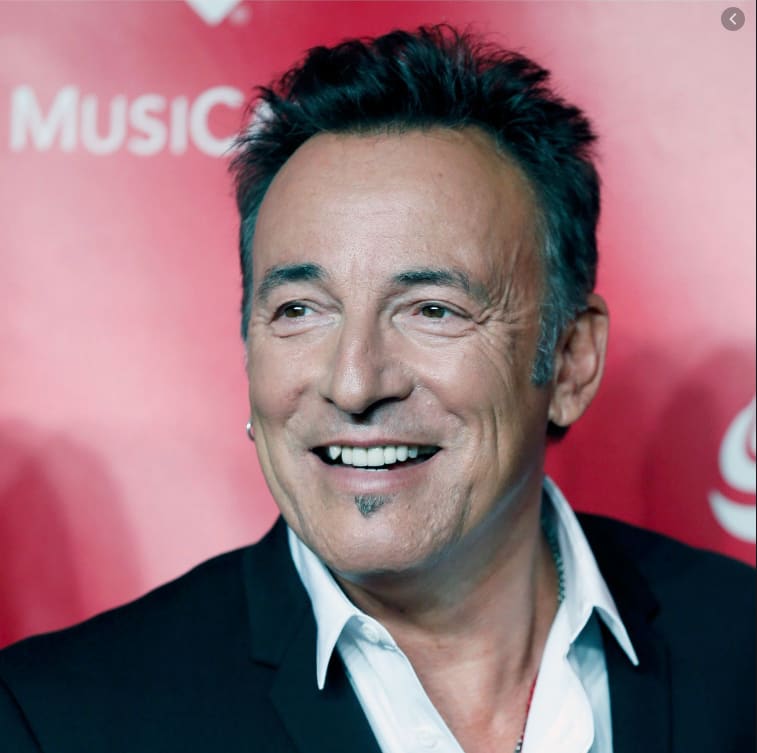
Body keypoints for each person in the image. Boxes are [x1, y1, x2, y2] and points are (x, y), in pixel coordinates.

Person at [0, 25, 753, 753]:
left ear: (570, 359)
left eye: (432, 310)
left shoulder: (738, 646)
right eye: (300, 310)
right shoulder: (61, 719)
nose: (354, 382)